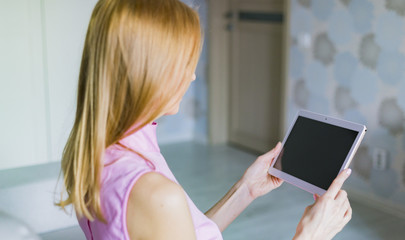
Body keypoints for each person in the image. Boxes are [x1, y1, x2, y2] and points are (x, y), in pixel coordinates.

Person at [57, 0, 352, 239]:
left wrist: (245, 190)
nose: (193, 75)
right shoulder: (153, 192)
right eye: (186, 64)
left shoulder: (102, 150)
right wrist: (312, 235)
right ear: (149, 71)